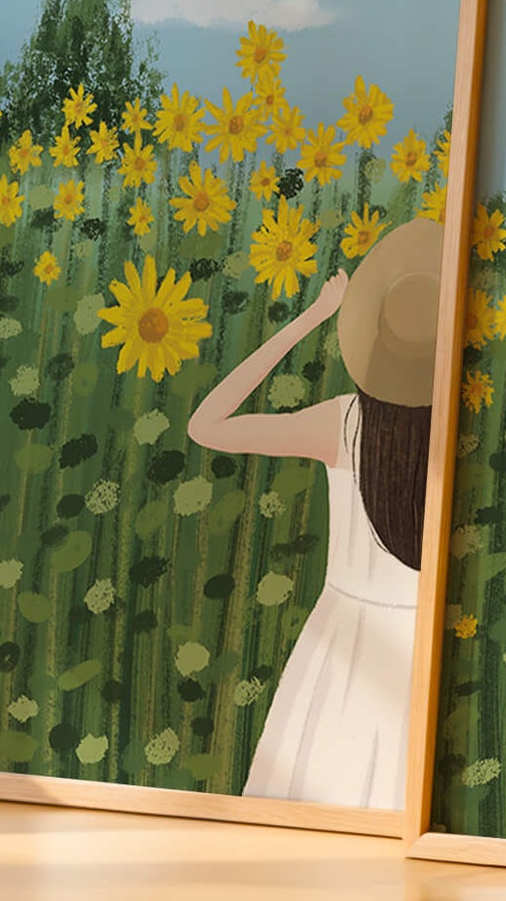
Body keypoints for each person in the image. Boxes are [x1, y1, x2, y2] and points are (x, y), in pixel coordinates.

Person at [187, 218, 443, 810]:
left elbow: (207, 425)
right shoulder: (454, 428)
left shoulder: (341, 422)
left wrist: (308, 320)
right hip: (417, 638)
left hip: (341, 636)